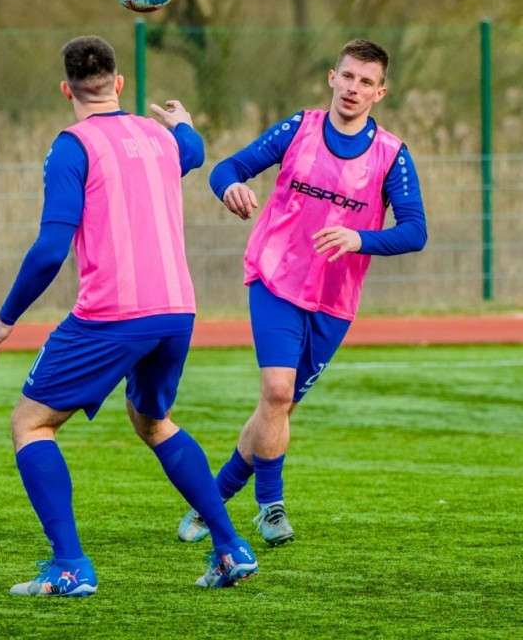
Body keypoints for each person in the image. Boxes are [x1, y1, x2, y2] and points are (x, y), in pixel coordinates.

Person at [0, 35, 257, 596]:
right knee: (153, 422)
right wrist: (183, 122)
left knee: (30, 423)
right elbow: (194, 150)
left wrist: (6, 317)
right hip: (176, 309)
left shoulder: (72, 146)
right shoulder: (159, 138)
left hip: (112, 315)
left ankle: (70, 566)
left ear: (67, 90)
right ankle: (230, 548)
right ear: (119, 84)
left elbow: (51, 249)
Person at [177, 38, 427, 547]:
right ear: (332, 78)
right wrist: (229, 188)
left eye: (366, 81)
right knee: (277, 392)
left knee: (278, 410)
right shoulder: (299, 129)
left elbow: (415, 231)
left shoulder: (392, 155)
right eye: (347, 76)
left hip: (334, 301)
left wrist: (361, 238)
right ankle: (271, 509)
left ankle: (210, 503)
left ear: (380, 93)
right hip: (275, 278)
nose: (353, 88)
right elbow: (227, 169)